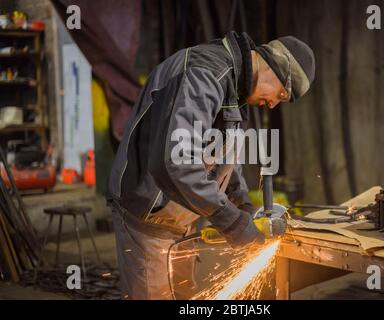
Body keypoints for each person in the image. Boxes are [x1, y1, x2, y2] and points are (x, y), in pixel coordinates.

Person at [106, 31, 315, 299]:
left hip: (184, 215)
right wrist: (232, 222)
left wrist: (244, 206)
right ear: (275, 67)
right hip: (148, 214)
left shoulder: (236, 88)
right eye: (281, 94)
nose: (273, 104)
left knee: (185, 297)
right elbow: (176, 163)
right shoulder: (204, 74)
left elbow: (225, 157)